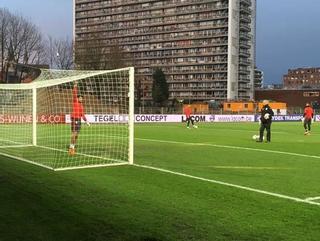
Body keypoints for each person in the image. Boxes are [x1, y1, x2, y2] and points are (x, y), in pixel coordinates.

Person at [69, 82, 90, 155]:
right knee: (74, 134)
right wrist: (75, 86)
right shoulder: (75, 102)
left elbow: (82, 114)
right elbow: (74, 93)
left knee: (77, 135)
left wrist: (86, 121)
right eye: (80, 98)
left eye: (82, 98)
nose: (81, 99)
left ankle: (72, 145)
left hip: (79, 120)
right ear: (78, 98)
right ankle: (71, 148)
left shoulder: (81, 106)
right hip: (74, 119)